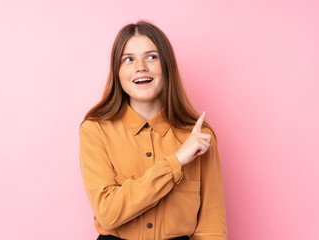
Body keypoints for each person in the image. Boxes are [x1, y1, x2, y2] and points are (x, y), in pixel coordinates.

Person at [79, 21, 228, 240]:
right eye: (128, 59)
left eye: (151, 57)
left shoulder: (198, 137)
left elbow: (212, 227)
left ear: (166, 66)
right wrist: (175, 162)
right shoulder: (95, 130)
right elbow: (108, 213)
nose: (140, 66)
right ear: (117, 72)